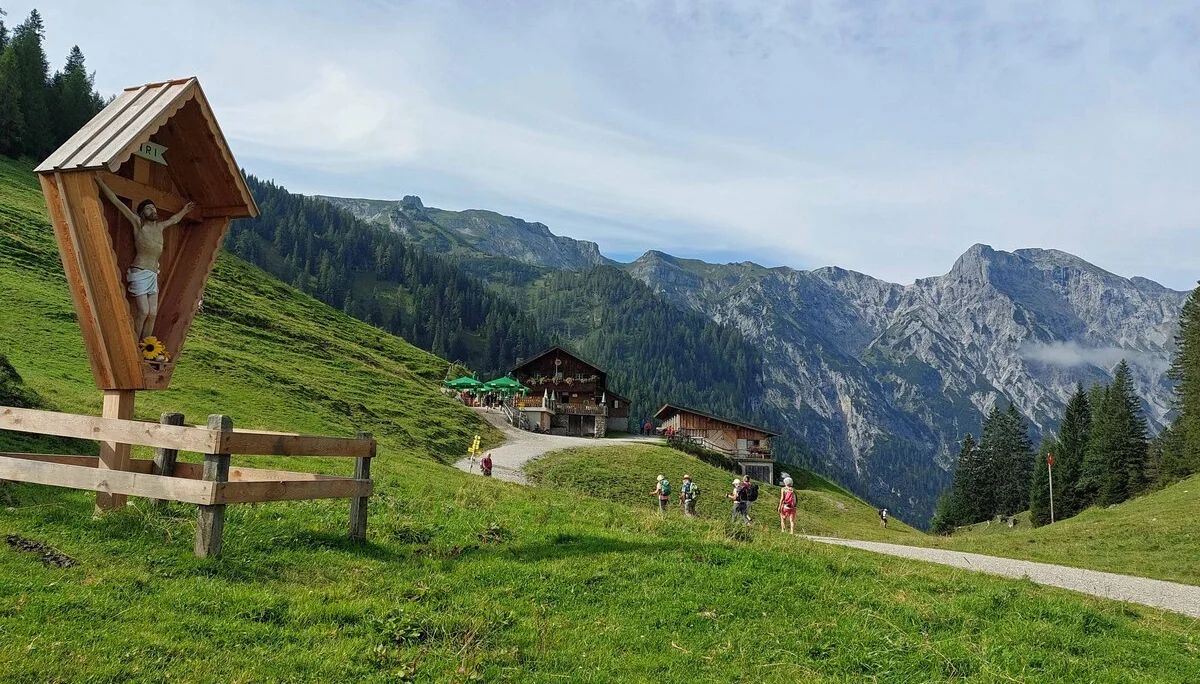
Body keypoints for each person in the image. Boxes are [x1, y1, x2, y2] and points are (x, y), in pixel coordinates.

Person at [95, 176, 197, 342]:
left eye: (153, 208)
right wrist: (99, 181)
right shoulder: (138, 224)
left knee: (153, 313)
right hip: (140, 271)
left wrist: (185, 210)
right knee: (143, 311)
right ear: (142, 213)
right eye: (148, 209)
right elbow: (116, 202)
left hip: (152, 273)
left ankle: (145, 346)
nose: (152, 211)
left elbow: (175, 219)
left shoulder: (160, 227)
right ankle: (134, 344)